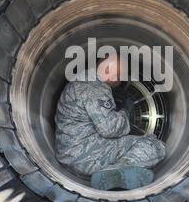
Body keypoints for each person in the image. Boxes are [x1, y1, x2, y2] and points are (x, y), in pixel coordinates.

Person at [55, 54, 166, 190]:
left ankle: (113, 172)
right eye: (119, 76)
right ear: (107, 69)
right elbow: (110, 129)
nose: (119, 82)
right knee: (154, 144)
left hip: (68, 158)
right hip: (87, 160)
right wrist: (125, 112)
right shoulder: (95, 87)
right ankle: (118, 170)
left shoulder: (78, 83)